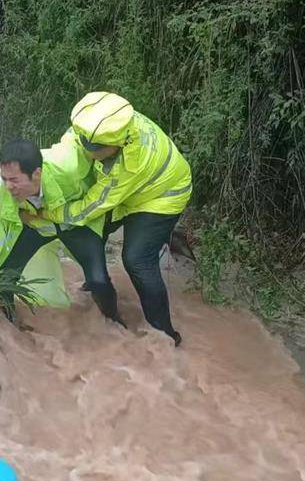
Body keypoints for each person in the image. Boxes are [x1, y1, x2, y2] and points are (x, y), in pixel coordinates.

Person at [30, 92, 192, 345]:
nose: (89, 152)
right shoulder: (100, 121)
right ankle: (97, 283)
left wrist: (47, 214)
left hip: (161, 195)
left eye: (96, 150)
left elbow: (89, 207)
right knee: (95, 231)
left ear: (115, 145)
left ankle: (164, 337)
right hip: (131, 189)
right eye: (87, 145)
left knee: (137, 259)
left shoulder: (130, 163)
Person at [0, 137, 121, 324]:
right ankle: (14, 329)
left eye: (14, 180)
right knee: (2, 280)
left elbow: (85, 140)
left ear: (36, 174)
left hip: (76, 225)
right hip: (38, 227)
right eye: (4, 179)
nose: (8, 186)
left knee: (99, 282)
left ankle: (114, 324)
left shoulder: (67, 167)